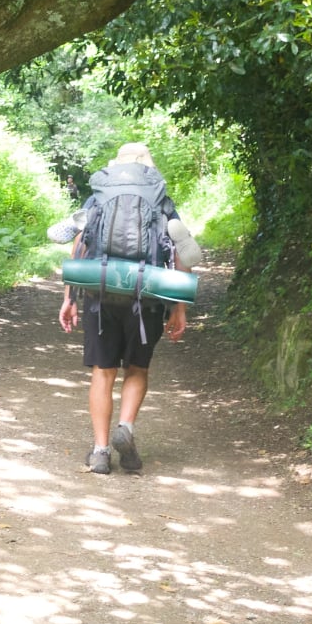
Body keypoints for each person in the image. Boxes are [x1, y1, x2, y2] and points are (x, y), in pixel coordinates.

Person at [53, 143, 204, 475]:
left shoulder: (98, 197)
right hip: (147, 296)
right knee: (137, 369)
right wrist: (179, 308)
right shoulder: (160, 199)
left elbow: (80, 245)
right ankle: (127, 428)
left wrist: (69, 298)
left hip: (100, 292)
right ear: (148, 167)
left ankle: (100, 451)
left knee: (102, 372)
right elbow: (180, 252)